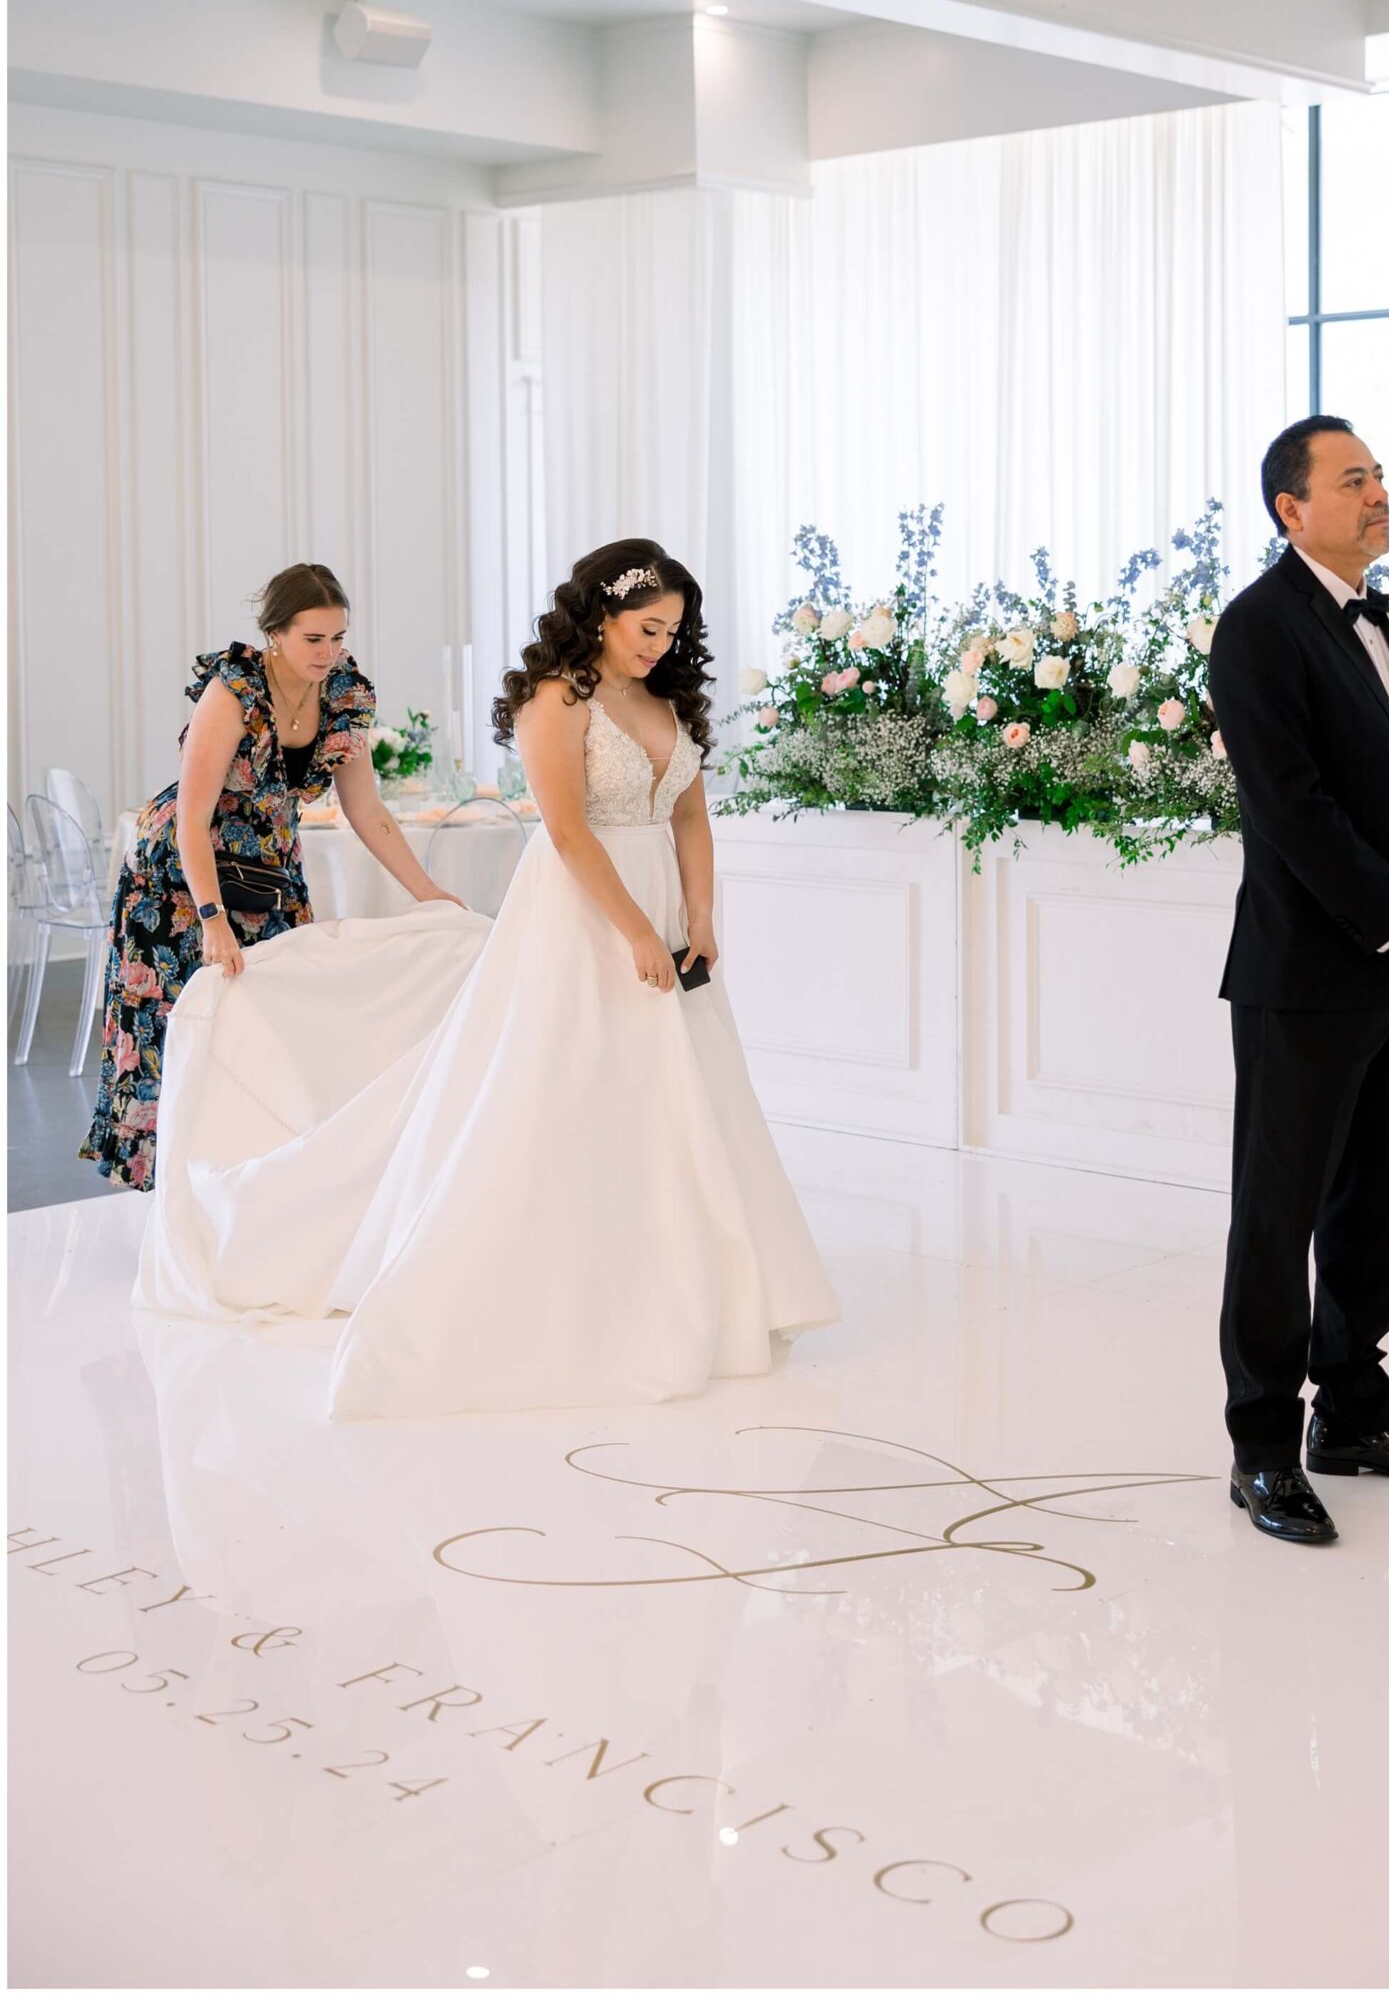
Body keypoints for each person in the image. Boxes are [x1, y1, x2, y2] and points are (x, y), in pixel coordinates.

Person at [134, 539, 839, 1419]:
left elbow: (690, 812)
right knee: (559, 1080)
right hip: (585, 908)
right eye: (647, 627)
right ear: (602, 616)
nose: (661, 644)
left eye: (673, 631)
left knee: (669, 1092)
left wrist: (699, 918)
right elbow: (568, 830)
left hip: (659, 903)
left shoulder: (660, 697)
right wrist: (635, 931)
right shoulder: (558, 698)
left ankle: (685, 1276)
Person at [1207, 418, 1389, 1546]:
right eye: (1354, 479)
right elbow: (1292, 810)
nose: (1378, 493)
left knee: (1377, 1205)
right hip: (1304, 977)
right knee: (1277, 1219)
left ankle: (1355, 1414)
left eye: (1378, 474)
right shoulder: (1256, 630)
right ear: (1291, 507)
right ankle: (1264, 1447)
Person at [83, 563, 458, 1192]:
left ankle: (254, 1183)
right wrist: (211, 920)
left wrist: (430, 894)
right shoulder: (233, 690)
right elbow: (194, 818)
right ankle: (178, 1194)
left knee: (276, 1024)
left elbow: (366, 811)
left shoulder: (345, 695)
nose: (329, 652)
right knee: (180, 1028)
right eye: (314, 639)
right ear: (275, 633)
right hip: (180, 881)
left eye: (337, 637)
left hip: (272, 873)